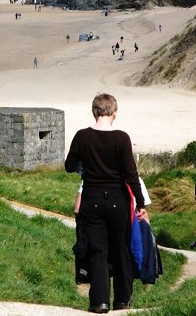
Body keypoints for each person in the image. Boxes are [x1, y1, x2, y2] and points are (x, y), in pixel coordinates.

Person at [65, 93, 146, 314]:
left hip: (91, 199)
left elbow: (69, 165)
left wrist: (85, 163)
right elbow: (131, 174)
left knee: (97, 251)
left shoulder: (82, 136)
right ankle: (122, 300)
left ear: (94, 111)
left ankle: (99, 302)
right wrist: (141, 204)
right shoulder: (122, 138)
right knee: (121, 249)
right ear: (114, 113)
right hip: (118, 200)